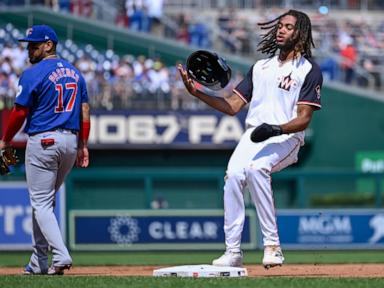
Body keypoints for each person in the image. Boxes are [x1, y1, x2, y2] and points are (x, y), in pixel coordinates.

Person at [178, 10, 322, 268]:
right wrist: (196, 91)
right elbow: (233, 105)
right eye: (279, 25)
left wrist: (276, 129)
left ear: (300, 33)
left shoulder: (309, 70)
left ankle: (272, 246)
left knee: (257, 169)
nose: (280, 30)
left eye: (288, 27)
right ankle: (233, 252)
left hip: (286, 137)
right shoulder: (260, 67)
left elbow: (304, 119)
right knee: (233, 176)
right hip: (254, 135)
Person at [0, 25, 90, 275]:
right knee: (43, 204)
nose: (30, 49)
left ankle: (60, 255)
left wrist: (5, 140)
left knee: (40, 204)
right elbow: (84, 112)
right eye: (29, 45)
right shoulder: (75, 73)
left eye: (35, 44)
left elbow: (19, 111)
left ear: (49, 45)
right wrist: (83, 144)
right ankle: (38, 260)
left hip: (44, 141)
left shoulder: (33, 73)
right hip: (70, 143)